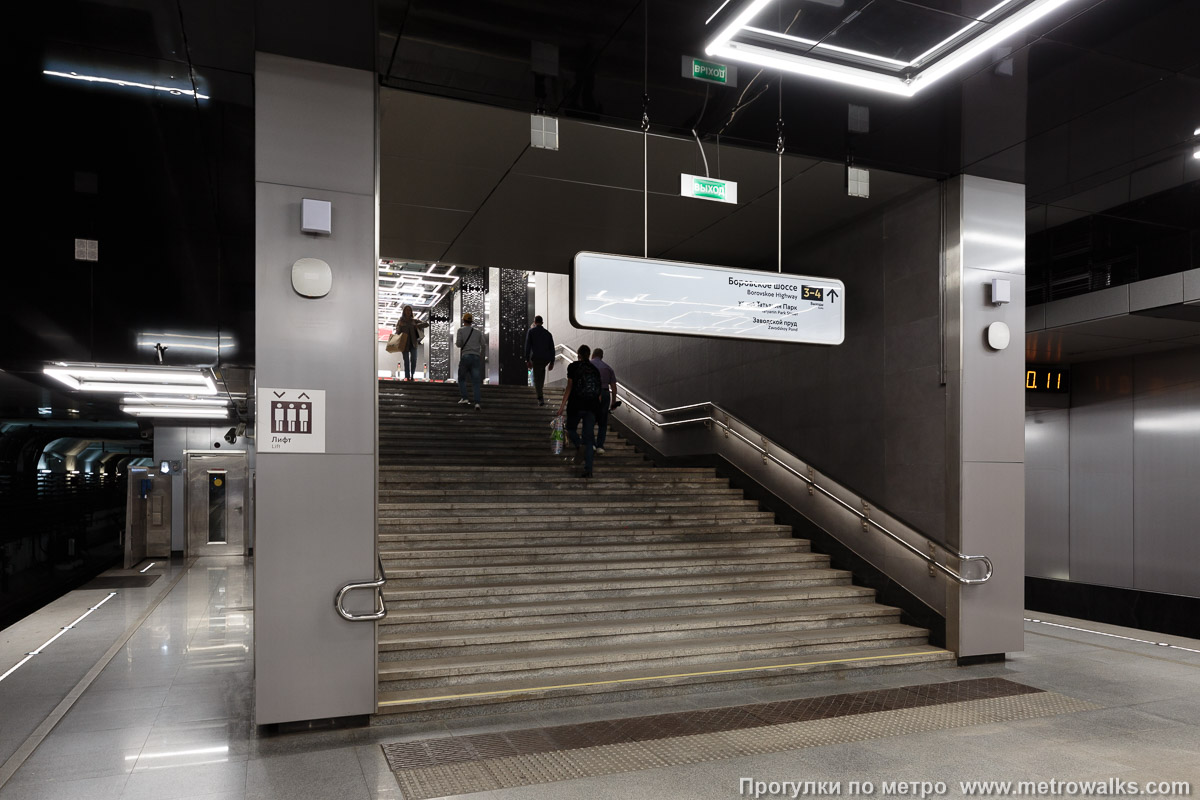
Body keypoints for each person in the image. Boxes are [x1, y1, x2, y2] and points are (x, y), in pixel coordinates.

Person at [556, 344, 602, 478]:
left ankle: (579, 445)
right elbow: (598, 393)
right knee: (588, 440)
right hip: (592, 407)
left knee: (570, 430)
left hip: (576, 405)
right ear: (589, 355)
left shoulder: (573, 366)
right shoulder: (595, 369)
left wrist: (562, 406)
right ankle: (589, 470)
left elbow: (569, 387)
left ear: (578, 354)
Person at [590, 348, 618, 455]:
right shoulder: (608, 368)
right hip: (606, 393)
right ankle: (600, 446)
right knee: (603, 422)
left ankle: (592, 444)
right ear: (602, 356)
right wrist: (614, 401)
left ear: (593, 355)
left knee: (590, 419)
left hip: (592, 393)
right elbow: (614, 387)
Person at [524, 315, 556, 407]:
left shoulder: (531, 332)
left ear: (534, 322)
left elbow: (528, 346)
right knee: (541, 375)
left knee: (537, 378)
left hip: (536, 358)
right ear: (542, 322)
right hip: (546, 359)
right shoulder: (548, 334)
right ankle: (540, 391)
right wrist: (552, 362)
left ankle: (540, 397)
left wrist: (527, 359)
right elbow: (552, 348)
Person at [455, 312, 484, 410]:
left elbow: (459, 344)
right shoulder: (478, 332)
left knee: (462, 378)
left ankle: (465, 398)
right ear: (471, 321)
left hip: (466, 356)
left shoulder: (460, 330)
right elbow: (483, 344)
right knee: (476, 381)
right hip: (476, 357)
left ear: (463, 321)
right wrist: (479, 353)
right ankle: (477, 403)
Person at [393, 305, 429, 382]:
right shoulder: (400, 321)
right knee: (406, 360)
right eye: (406, 310)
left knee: (414, 359)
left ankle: (412, 375)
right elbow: (397, 332)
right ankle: (407, 376)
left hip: (413, 343)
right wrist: (400, 327)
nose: (408, 311)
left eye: (409, 310)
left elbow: (426, 324)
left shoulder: (414, 321)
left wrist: (417, 325)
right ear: (404, 312)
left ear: (411, 312)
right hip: (404, 343)